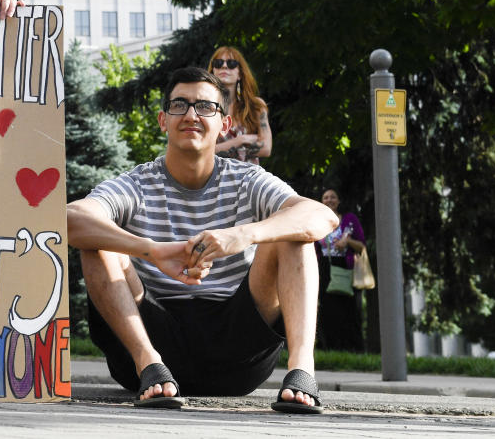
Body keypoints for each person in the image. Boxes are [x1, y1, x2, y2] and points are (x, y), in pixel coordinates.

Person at [67, 66, 337, 414]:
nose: (192, 114)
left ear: (224, 124)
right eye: (180, 105)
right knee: (98, 240)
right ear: (163, 120)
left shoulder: (246, 180)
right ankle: (149, 364)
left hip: (237, 351)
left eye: (205, 106)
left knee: (292, 234)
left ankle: (303, 371)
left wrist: (242, 235)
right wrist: (153, 252)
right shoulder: (136, 184)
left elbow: (322, 216)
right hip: (151, 346)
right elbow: (71, 219)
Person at [317, 188, 367, 352]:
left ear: (338, 202)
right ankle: (330, 349)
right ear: (322, 202)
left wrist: (348, 242)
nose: (329, 200)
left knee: (349, 310)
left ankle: (354, 350)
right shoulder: (316, 222)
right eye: (326, 197)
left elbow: (361, 247)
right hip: (324, 269)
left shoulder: (349, 220)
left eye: (333, 197)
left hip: (346, 267)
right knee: (327, 311)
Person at [209, 46, 272, 161]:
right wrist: (241, 140)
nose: (224, 66)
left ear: (240, 74)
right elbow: (202, 151)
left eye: (231, 63)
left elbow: (266, 148)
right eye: (218, 63)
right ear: (213, 71)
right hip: (216, 177)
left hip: (249, 177)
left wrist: (219, 149)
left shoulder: (255, 105)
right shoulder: (204, 108)